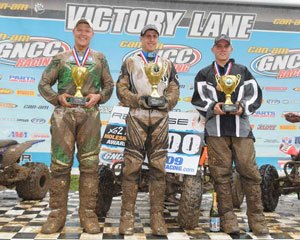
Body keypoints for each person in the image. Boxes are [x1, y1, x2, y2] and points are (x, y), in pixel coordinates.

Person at [38, 18, 114, 234]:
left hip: (90, 115)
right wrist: (57, 97)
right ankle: (56, 215)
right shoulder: (60, 58)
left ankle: (88, 215)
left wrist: (99, 96)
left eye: (87, 31)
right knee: (60, 165)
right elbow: (43, 84)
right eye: (79, 30)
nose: (83, 34)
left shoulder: (99, 58)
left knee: (90, 166)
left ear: (92, 34)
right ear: (74, 33)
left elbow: (109, 85)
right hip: (64, 116)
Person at [191, 34, 269, 236]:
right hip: (215, 131)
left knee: (250, 173)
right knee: (221, 175)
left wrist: (243, 107)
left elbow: (256, 95)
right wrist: (213, 107)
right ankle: (227, 218)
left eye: (226, 46)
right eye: (219, 46)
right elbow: (198, 99)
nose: (223, 49)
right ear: (213, 49)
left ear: (231, 49)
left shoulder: (242, 71)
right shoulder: (204, 73)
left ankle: (257, 218)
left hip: (241, 130)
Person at [116, 24, 179, 236]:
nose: (151, 40)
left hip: (160, 117)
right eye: (147, 36)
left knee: (159, 168)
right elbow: (120, 88)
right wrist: (137, 100)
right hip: (137, 116)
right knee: (131, 166)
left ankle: (157, 216)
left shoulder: (167, 63)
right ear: (141, 39)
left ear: (157, 39)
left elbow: (174, 88)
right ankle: (127, 216)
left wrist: (166, 102)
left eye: (154, 36)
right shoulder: (131, 61)